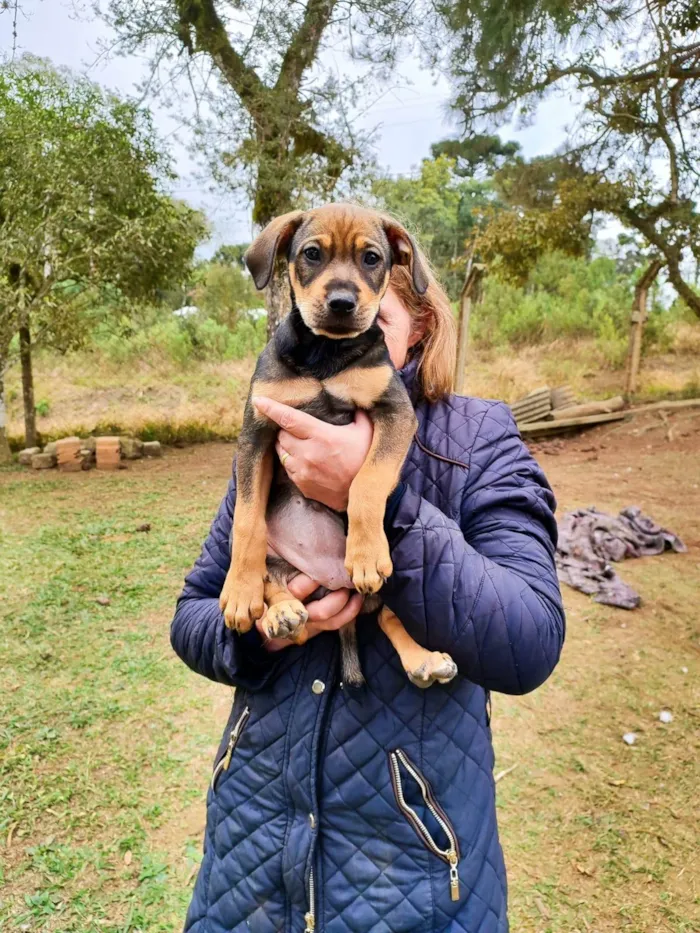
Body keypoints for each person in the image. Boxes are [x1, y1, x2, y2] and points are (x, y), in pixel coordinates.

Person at [171, 254, 565, 933]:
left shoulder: (477, 437)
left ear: (419, 324)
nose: (342, 323)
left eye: (372, 319)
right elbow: (196, 614)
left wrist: (377, 503)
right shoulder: (283, 429)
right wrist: (260, 631)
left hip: (411, 868)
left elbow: (528, 638)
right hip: (253, 856)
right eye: (325, 304)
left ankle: (402, 638)